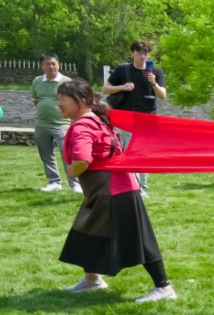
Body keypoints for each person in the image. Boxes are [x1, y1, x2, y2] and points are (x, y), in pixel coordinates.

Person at [56, 79, 176, 302]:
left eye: (63, 99)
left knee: (139, 238)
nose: (59, 104)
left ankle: (164, 288)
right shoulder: (99, 119)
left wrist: (71, 172)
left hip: (112, 190)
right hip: (109, 188)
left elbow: (82, 160)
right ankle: (92, 279)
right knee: (89, 229)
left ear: (80, 101)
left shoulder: (83, 125)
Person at [103, 41, 166, 196]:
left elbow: (162, 95)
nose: (143, 57)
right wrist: (122, 87)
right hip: (128, 118)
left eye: (145, 53)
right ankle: (133, 187)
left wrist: (154, 83)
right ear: (132, 53)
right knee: (131, 152)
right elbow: (105, 88)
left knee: (145, 153)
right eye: (139, 53)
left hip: (148, 118)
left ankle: (142, 187)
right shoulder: (123, 69)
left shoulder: (156, 71)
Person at [30, 54, 79, 194]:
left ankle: (75, 184)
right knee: (46, 155)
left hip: (62, 125)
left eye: (53, 63)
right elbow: (36, 101)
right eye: (47, 64)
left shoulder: (67, 82)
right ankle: (54, 182)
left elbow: (73, 102)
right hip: (41, 124)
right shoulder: (37, 81)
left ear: (59, 65)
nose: (51, 66)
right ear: (42, 66)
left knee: (68, 155)